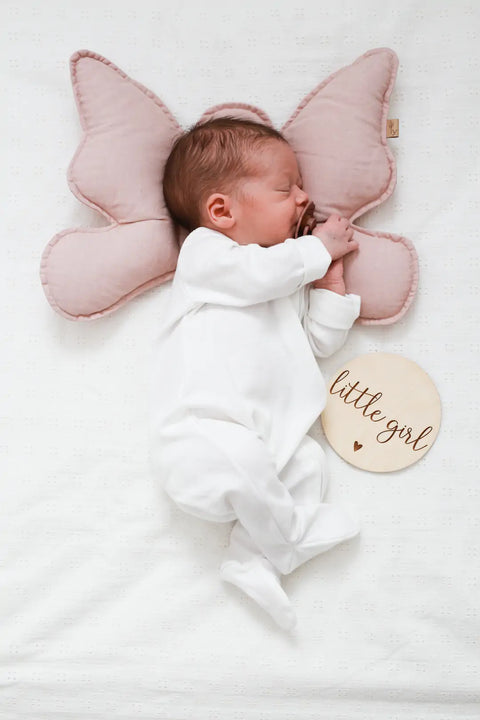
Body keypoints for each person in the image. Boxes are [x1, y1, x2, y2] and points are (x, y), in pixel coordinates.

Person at [148, 116, 361, 630]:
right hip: (200, 438)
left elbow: (317, 343)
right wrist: (316, 251)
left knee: (308, 462)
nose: (304, 198)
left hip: (267, 445)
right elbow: (259, 277)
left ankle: (253, 559)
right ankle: (289, 541)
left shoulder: (285, 278)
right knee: (241, 456)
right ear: (221, 211)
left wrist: (329, 282)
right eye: (285, 189)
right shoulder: (207, 256)